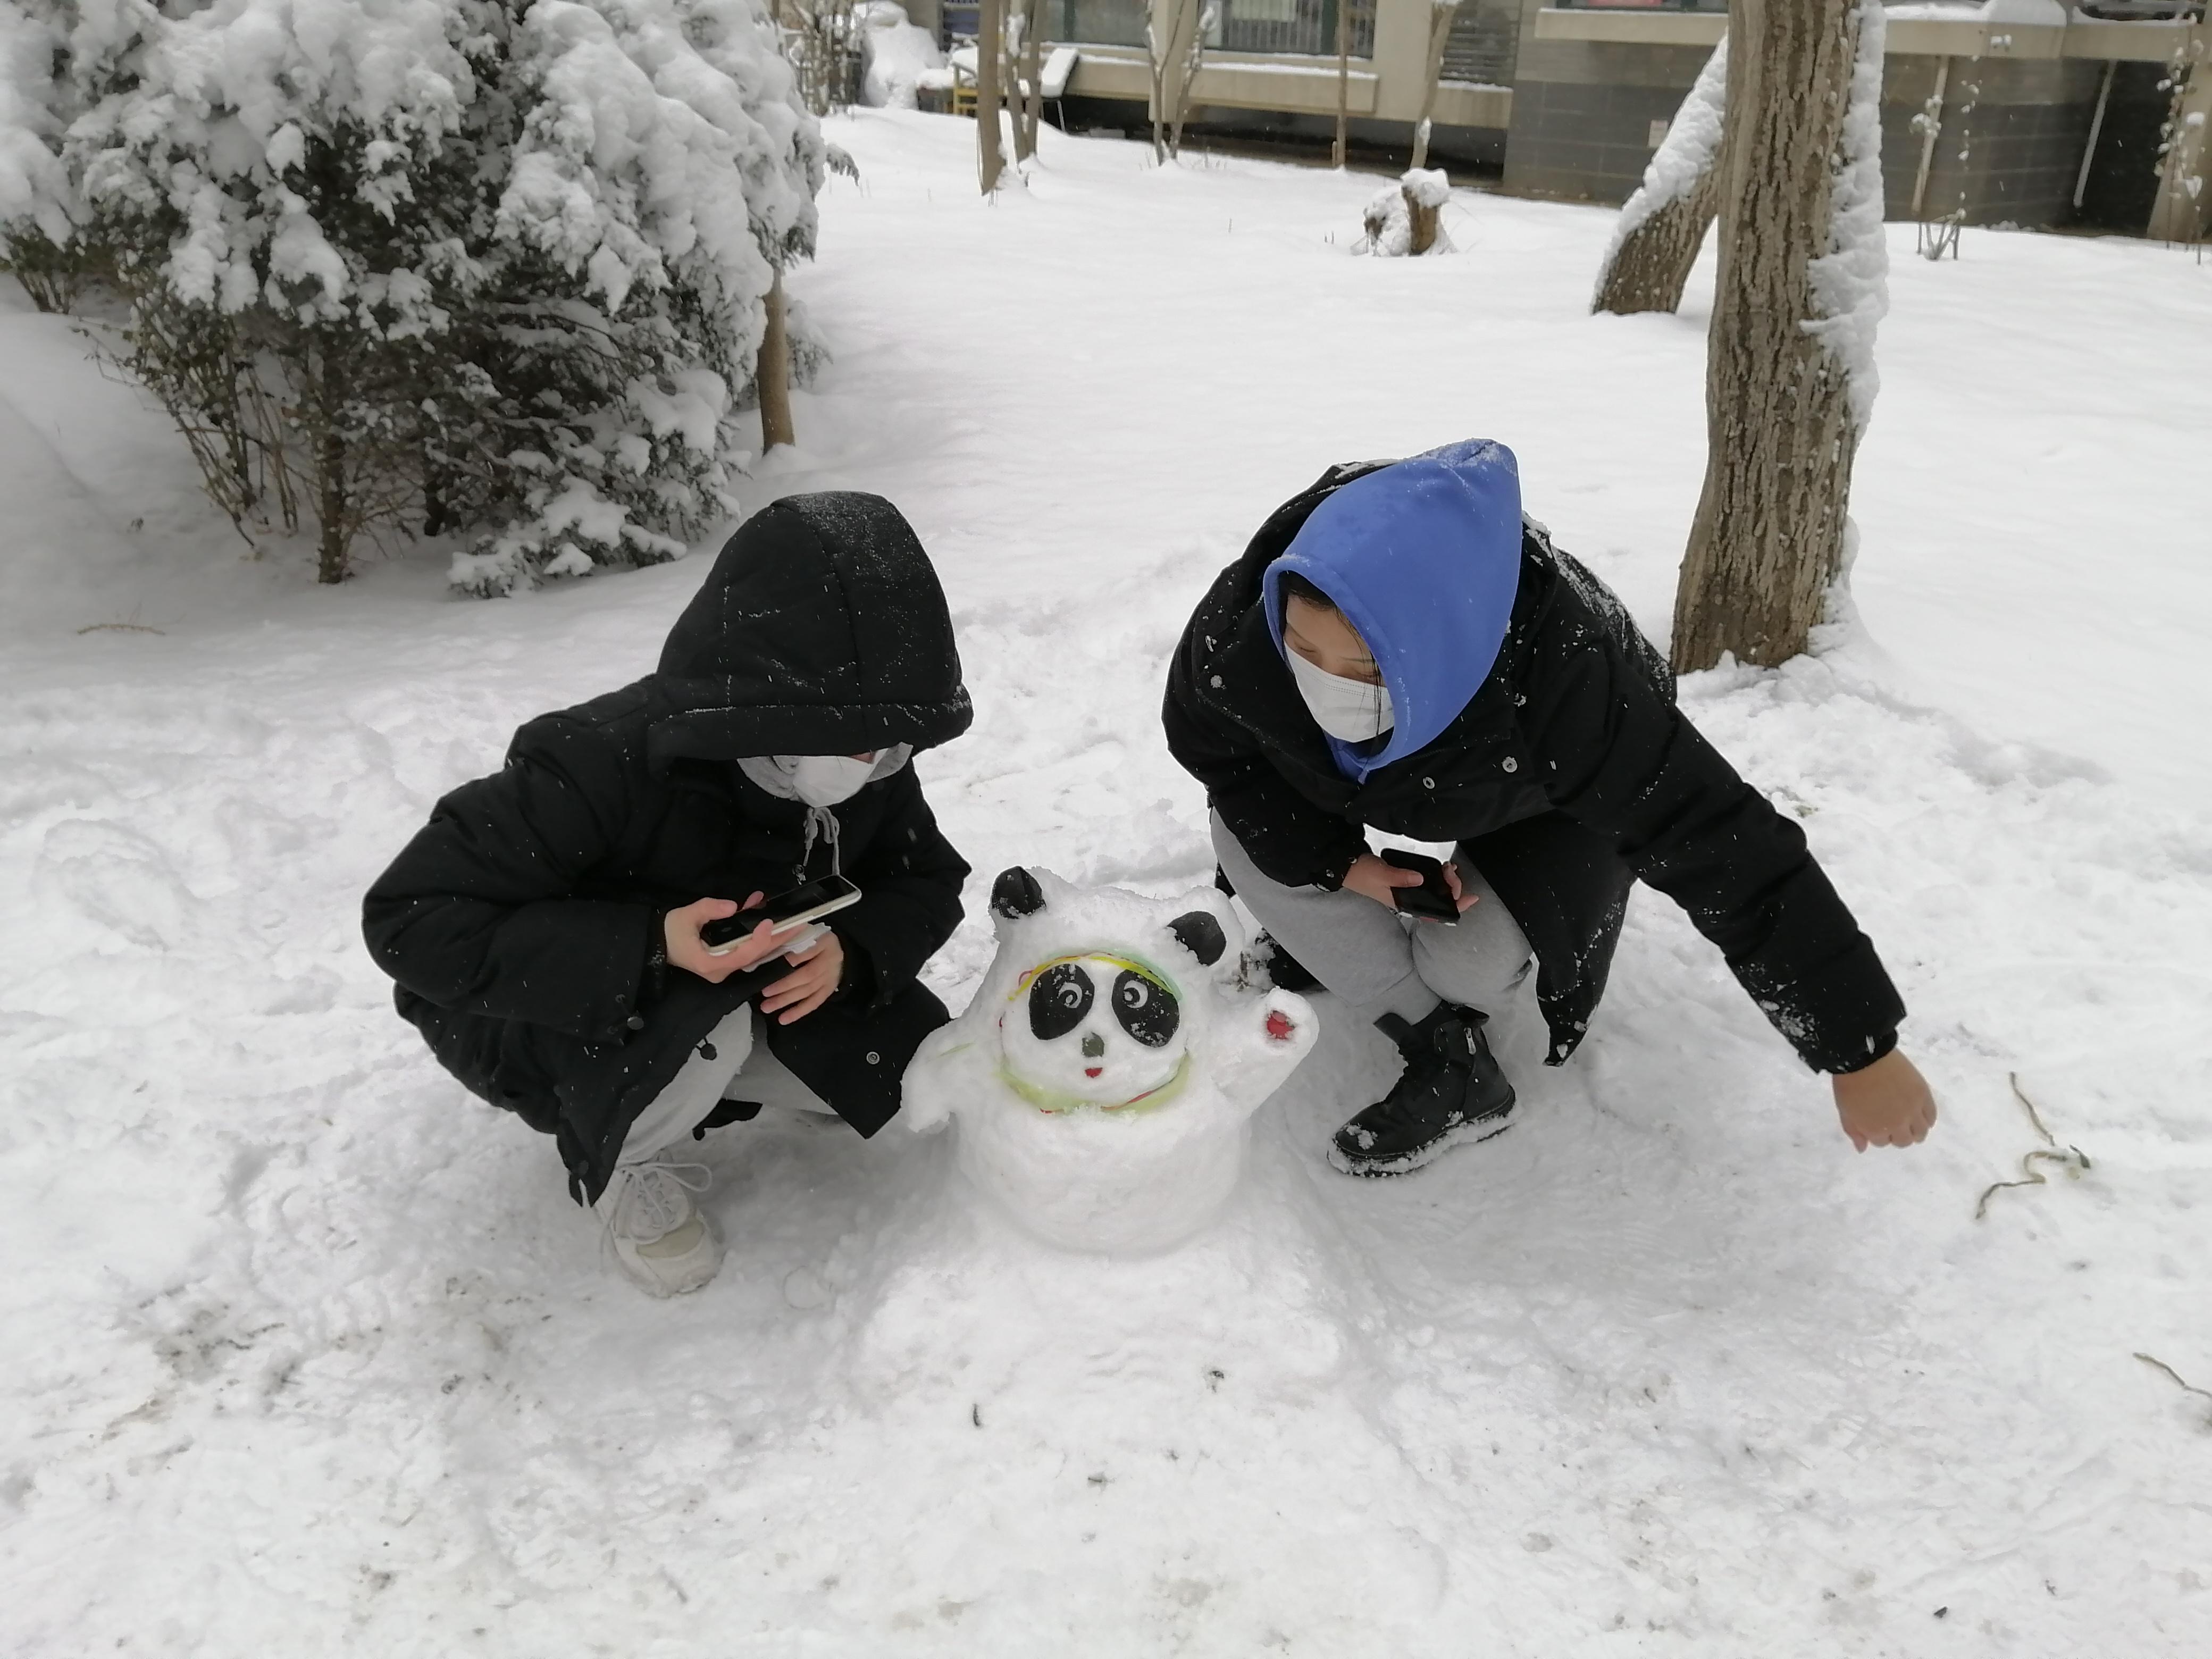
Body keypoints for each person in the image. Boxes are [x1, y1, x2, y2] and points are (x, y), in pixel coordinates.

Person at [1163, 439, 1937, 1177]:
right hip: (1403, 775)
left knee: (1472, 965)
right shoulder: (1244, 631)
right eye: (1305, 649)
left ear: (1440, 646)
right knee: (1249, 832)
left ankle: (1436, 996)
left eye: (1364, 667)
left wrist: (1860, 1048)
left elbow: (1722, 845)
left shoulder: (1573, 689)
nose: (1328, 683)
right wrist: (1341, 864)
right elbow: (1218, 750)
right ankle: (1445, 1055)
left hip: (1533, 796)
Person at [363, 493, 973, 1295]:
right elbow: (411, 921)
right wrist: (649, 945)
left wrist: (851, 954)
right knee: (701, 1033)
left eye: (889, 743)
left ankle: (764, 1062)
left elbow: (926, 876)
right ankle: (628, 1163)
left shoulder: (867, 752)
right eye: (850, 743)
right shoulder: (592, 765)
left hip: (742, 979)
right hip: (544, 1010)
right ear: (764, 704)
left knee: (907, 1069)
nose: (868, 764)